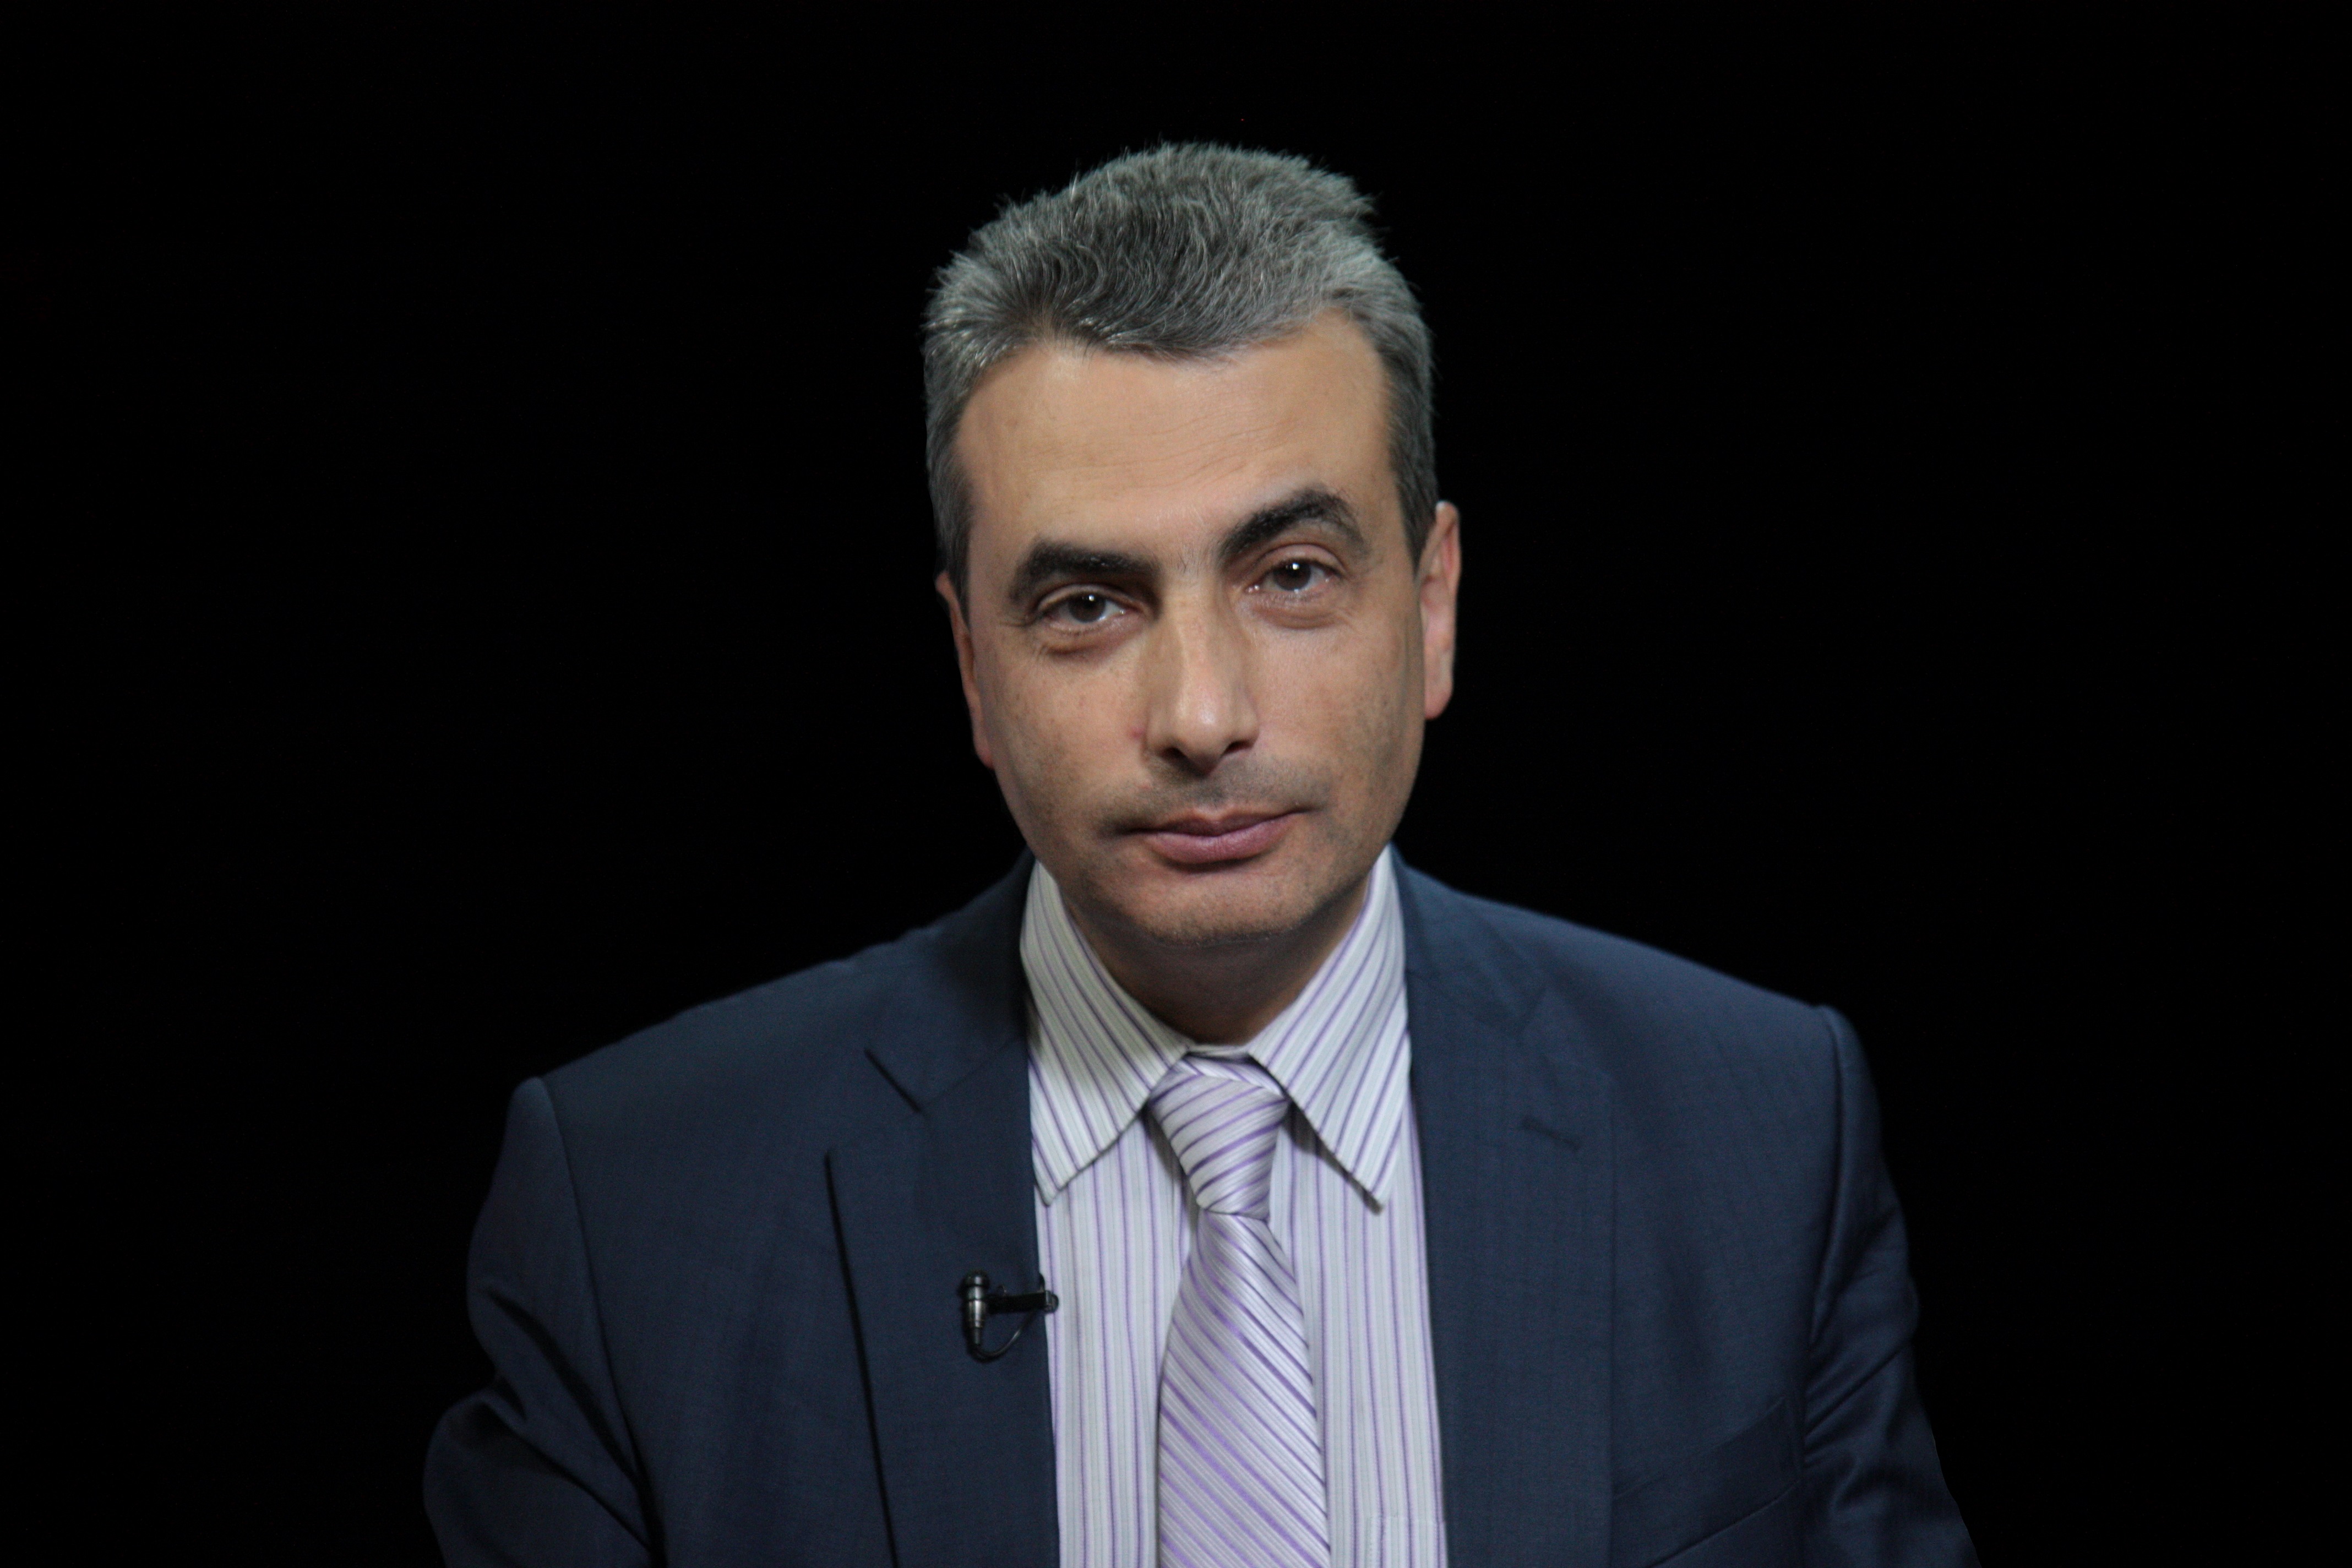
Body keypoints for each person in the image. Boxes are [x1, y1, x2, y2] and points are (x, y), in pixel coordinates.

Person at [426, 144, 1975, 1567]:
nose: (1201, 716)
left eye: (1292, 574)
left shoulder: (1766, 1136)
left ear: (1433, 604)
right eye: (1088, 606)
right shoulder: (631, 1216)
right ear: (972, 670)